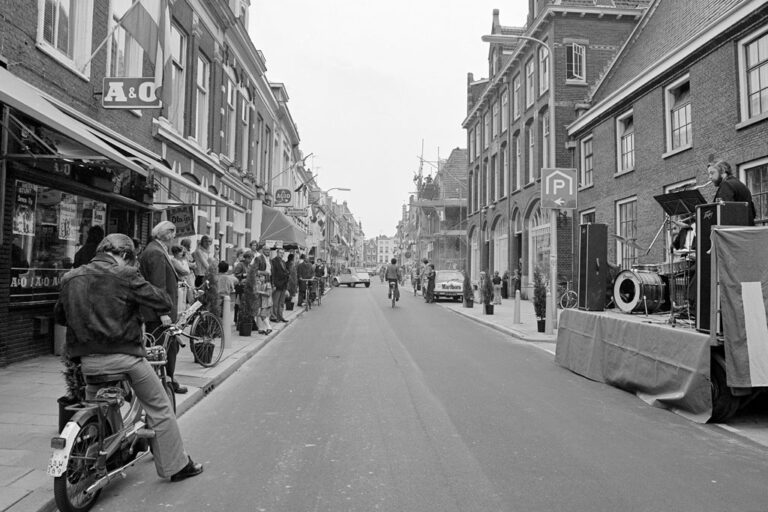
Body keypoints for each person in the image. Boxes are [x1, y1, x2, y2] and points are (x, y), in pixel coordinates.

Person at [54, 234, 203, 482]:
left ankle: (110, 453)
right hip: (125, 357)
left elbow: (60, 316)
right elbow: (163, 301)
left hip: (87, 361)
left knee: (102, 407)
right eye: (130, 259)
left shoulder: (71, 277)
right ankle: (176, 467)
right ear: (124, 255)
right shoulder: (125, 275)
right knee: (160, 407)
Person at [138, 221, 186, 395]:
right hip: (158, 313)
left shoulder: (156, 250)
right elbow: (158, 285)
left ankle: (168, 381)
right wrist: (163, 313)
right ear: (165, 234)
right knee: (163, 349)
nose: (174, 236)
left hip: (157, 311)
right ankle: (165, 383)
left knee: (167, 347)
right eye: (172, 233)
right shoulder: (156, 253)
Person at [708, 160, 757, 225]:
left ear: (722, 171)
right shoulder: (739, 184)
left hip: (734, 233)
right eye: (709, 174)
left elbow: (724, 215)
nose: (710, 177)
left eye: (712, 173)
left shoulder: (726, 185)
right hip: (746, 231)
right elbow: (753, 213)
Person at [271, 248, 289, 322]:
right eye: (280, 253)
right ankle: (274, 317)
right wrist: (274, 284)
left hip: (284, 284)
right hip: (277, 284)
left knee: (281, 302)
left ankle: (280, 316)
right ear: (277, 253)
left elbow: (286, 272)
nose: (282, 254)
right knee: (275, 302)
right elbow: (273, 274)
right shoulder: (273, 261)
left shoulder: (283, 262)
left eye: (283, 253)